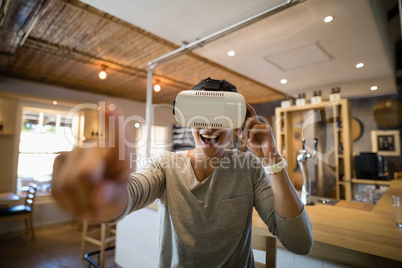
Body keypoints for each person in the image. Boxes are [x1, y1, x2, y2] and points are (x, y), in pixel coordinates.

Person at [52, 77, 313, 267]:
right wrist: (108, 196)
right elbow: (133, 192)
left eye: (220, 116)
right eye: (200, 115)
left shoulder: (250, 168)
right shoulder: (165, 165)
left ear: (237, 121)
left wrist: (271, 159)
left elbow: (299, 242)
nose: (209, 127)